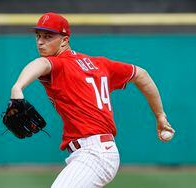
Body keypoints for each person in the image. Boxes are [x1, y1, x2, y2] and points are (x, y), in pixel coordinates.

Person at [10, 12, 175, 188]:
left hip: (94, 153)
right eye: (38, 36)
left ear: (65, 40)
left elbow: (41, 64)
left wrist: (17, 87)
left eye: (48, 36)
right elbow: (141, 74)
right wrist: (160, 115)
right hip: (93, 152)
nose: (41, 41)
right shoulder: (99, 64)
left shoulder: (59, 64)